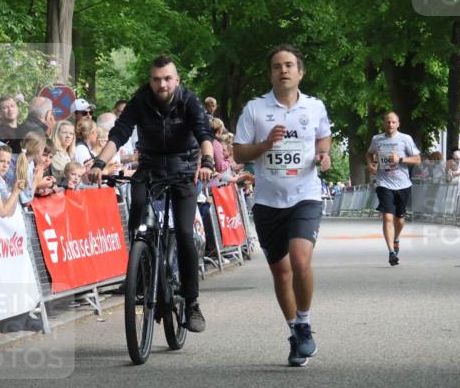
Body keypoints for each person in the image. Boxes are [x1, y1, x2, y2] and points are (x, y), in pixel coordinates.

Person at [89, 54, 215, 334]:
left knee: (183, 233)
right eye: (157, 79)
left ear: (176, 80)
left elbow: (204, 133)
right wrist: (99, 162)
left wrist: (207, 162)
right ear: (150, 81)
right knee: (140, 228)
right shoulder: (140, 100)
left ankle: (192, 303)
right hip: (150, 170)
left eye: (168, 78)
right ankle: (144, 266)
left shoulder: (189, 100)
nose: (162, 84)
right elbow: (120, 133)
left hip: (183, 171)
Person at [233, 45, 332, 367]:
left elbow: (323, 138)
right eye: (277, 66)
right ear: (270, 73)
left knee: (301, 261)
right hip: (267, 201)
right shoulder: (255, 110)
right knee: (281, 269)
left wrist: (323, 154)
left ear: (300, 72)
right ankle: (294, 332)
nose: (283, 70)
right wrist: (265, 145)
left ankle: (304, 322)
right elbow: (238, 154)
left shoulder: (314, 107)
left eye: (289, 65)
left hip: (305, 194)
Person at [366, 111, 421, 265]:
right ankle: (391, 252)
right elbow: (369, 153)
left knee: (400, 219)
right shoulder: (377, 139)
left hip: (403, 184)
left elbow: (417, 159)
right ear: (384, 123)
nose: (390, 125)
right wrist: (370, 164)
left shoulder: (405, 139)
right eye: (387, 122)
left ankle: (396, 238)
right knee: (387, 216)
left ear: (398, 123)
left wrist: (401, 159)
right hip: (384, 182)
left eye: (393, 122)